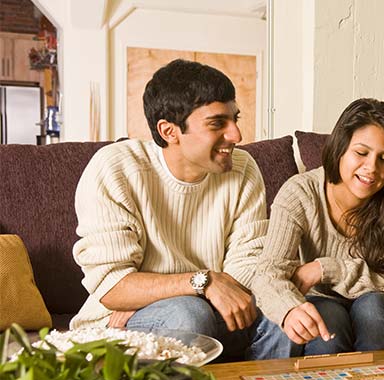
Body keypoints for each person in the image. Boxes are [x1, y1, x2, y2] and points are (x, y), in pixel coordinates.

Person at [70, 59, 294, 360]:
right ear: (169, 131)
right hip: (119, 323)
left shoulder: (242, 169)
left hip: (213, 307)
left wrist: (150, 290)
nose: (236, 136)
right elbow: (113, 287)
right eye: (217, 123)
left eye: (234, 119)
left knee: (286, 315)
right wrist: (204, 282)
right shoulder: (115, 169)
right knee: (188, 314)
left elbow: (247, 265)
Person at [251, 98, 384, 355]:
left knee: (372, 310)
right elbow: (267, 273)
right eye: (361, 153)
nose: (372, 169)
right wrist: (288, 309)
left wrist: (326, 269)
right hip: (324, 298)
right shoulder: (300, 193)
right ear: (340, 148)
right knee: (328, 327)